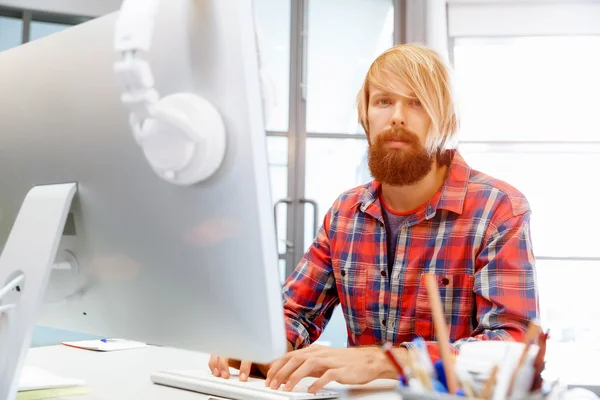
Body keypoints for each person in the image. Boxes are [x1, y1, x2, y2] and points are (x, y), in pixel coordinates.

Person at [209, 43, 539, 394]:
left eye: (417, 102)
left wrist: (381, 361)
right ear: (365, 116)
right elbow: (294, 314)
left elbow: (512, 347)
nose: (397, 116)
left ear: (445, 120)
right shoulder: (345, 214)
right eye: (384, 101)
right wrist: (259, 346)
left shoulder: (499, 209)